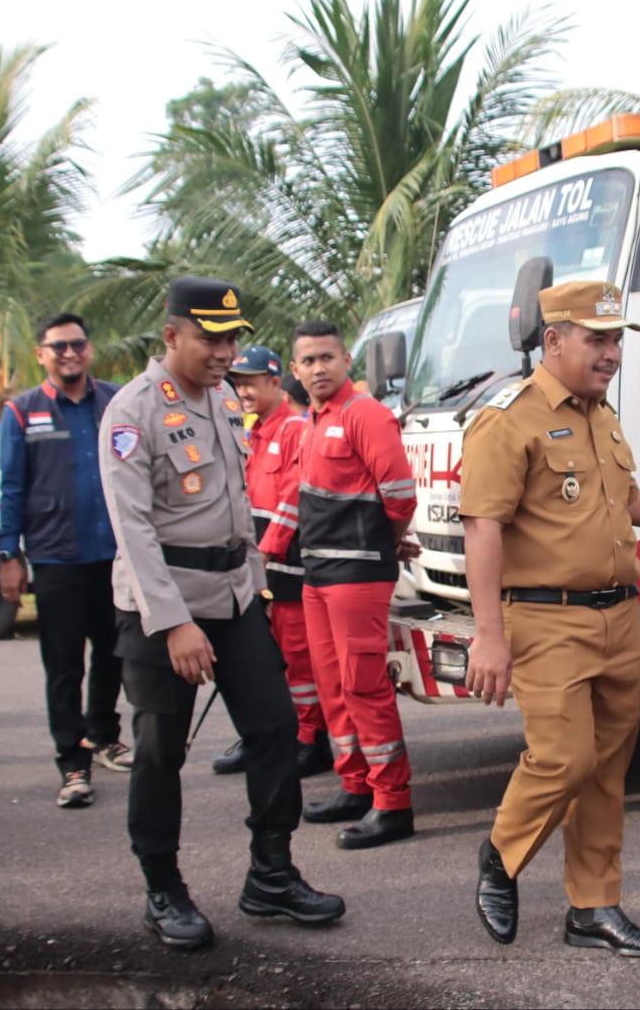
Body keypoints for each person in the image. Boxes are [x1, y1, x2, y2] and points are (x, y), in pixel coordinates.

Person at [460, 281, 640, 958]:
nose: (611, 354)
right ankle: (500, 854)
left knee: (605, 769)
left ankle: (593, 908)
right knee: (564, 758)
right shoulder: (506, 419)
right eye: (597, 339)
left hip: (618, 618)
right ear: (553, 340)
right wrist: (488, 635)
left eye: (616, 341)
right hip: (547, 621)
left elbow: (625, 502)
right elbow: (482, 528)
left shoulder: (601, 414)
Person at [99, 277, 343, 950]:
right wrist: (174, 622)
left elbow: (235, 506)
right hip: (163, 607)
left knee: (275, 727)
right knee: (159, 751)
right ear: (171, 334)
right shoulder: (132, 411)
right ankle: (163, 887)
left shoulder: (224, 399)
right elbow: (133, 528)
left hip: (234, 597)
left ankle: (271, 872)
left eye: (232, 338)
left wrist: (254, 586)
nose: (225, 352)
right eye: (211, 338)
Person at [291, 319, 418, 850]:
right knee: (333, 686)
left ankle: (392, 803)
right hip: (317, 575)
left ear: (346, 360)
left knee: (364, 685)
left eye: (327, 357)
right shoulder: (311, 421)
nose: (318, 368)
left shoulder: (365, 414)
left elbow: (400, 496)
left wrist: (386, 541)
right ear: (296, 370)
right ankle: (355, 785)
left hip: (358, 573)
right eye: (308, 360)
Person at [0, 313, 131, 809]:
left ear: (89, 349)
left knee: (115, 653)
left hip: (114, 555)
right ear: (41, 355)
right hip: (56, 556)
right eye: (59, 347)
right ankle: (71, 760)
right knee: (63, 664)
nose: (70, 353)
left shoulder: (117, 402)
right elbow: (12, 487)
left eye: (77, 344)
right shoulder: (22, 412)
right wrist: (9, 554)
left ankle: (104, 736)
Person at [211, 349, 330, 779]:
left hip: (286, 567)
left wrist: (265, 551)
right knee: (265, 660)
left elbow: (293, 498)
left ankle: (310, 742)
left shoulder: (295, 429)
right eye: (238, 382)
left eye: (252, 381)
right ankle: (268, 738)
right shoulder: (252, 432)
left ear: (276, 382)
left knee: (298, 660)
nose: (243, 390)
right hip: (257, 567)